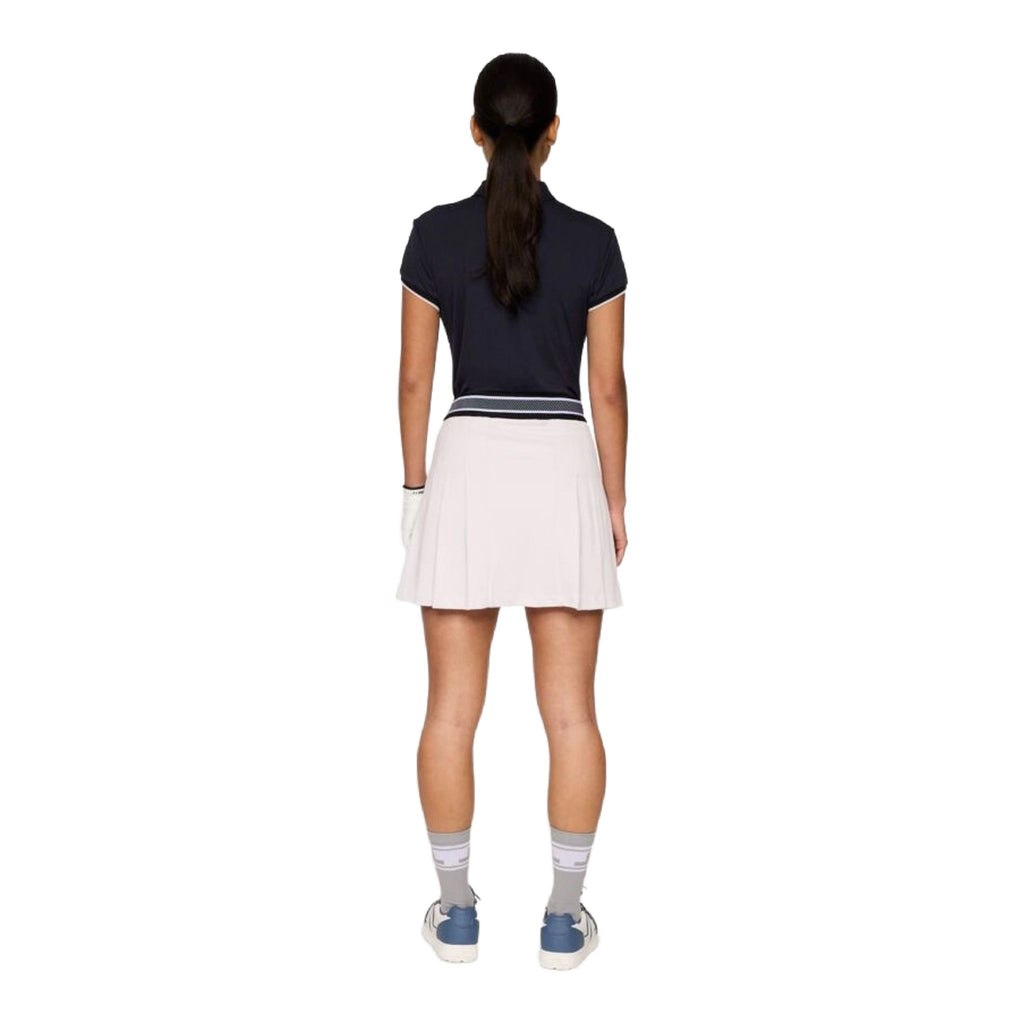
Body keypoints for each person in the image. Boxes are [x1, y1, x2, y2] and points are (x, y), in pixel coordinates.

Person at [395, 53, 628, 971]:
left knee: (451, 712)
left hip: (467, 471)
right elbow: (606, 390)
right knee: (571, 715)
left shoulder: (431, 236)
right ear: (555, 132)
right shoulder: (597, 242)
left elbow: (415, 382)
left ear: (476, 131)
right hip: (563, 465)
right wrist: (614, 499)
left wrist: (415, 492)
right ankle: (564, 922)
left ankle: (455, 914)